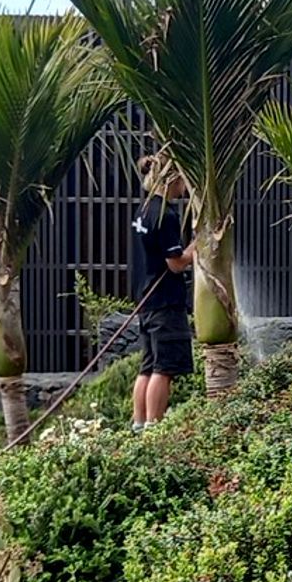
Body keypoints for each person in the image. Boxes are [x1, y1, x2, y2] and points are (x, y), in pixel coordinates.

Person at [128, 154, 195, 428]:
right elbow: (176, 264)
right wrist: (196, 248)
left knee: (147, 365)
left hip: (146, 299)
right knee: (163, 368)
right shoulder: (165, 215)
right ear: (172, 180)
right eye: (182, 180)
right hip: (166, 301)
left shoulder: (143, 209)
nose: (184, 187)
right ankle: (154, 427)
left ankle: (138, 423)